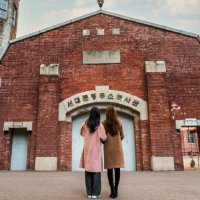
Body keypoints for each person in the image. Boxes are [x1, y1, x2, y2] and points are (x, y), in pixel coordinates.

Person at [79, 107, 107, 199]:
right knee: (96, 171)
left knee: (88, 171)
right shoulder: (99, 125)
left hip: (87, 149)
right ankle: (95, 193)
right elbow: (104, 138)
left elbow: (81, 133)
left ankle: (89, 193)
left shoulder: (85, 124)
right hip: (95, 150)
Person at [103, 106, 125, 199]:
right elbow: (122, 136)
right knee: (117, 169)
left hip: (108, 148)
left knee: (109, 169)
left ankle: (112, 191)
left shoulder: (103, 123)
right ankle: (116, 190)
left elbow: (102, 137)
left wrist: (105, 141)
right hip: (117, 148)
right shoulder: (119, 122)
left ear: (107, 114)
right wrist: (117, 140)